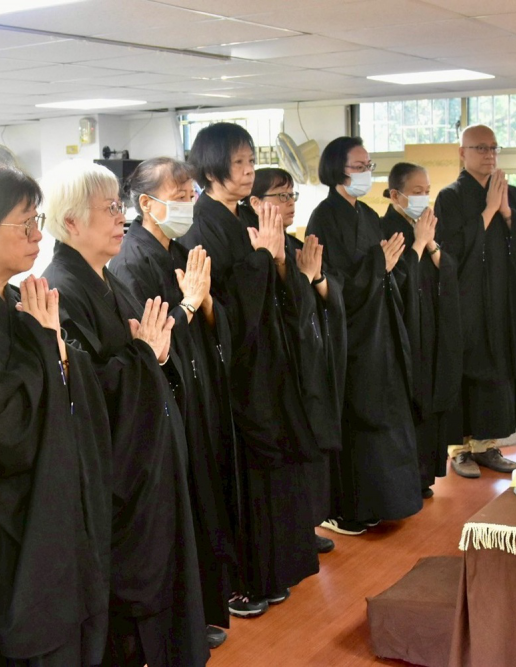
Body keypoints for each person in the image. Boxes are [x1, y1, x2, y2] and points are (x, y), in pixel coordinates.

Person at [0, 160, 112, 666]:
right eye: (25, 223)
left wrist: (56, 350)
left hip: (49, 514)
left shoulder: (18, 301)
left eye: (38, 220)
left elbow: (72, 381)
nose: (38, 235)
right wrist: (47, 347)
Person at [40, 160, 207, 667]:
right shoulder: (61, 289)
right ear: (71, 221)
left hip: (149, 458)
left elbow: (141, 353)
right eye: (110, 208)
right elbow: (84, 389)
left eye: (120, 205)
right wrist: (144, 355)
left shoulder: (108, 279)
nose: (122, 217)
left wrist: (152, 352)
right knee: (129, 599)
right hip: (119, 474)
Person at [180, 123, 320, 618]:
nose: (247, 172)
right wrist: (263, 257)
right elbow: (222, 306)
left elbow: (277, 286)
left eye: (249, 161)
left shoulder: (245, 217)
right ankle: (240, 582)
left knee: (275, 473)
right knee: (241, 479)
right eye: (238, 163)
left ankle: (271, 571)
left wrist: (279, 261)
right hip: (234, 374)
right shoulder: (200, 228)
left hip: (268, 364)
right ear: (211, 170)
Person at [112, 157, 236, 649]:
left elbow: (210, 317)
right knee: (181, 512)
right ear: (147, 203)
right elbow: (152, 340)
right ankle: (184, 624)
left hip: (199, 394)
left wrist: (204, 302)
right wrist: (188, 304)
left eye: (190, 196)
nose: (189, 205)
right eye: (179, 196)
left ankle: (205, 610)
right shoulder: (131, 262)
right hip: (169, 401)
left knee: (206, 503)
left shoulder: (182, 250)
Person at [306, 136, 422, 536]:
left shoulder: (369, 215)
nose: (366, 173)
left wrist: (388, 266)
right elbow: (330, 281)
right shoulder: (323, 217)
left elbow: (388, 267)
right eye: (359, 167)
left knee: (386, 416)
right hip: (351, 336)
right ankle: (345, 509)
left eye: (369, 166)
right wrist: (378, 264)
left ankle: (379, 502)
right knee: (357, 419)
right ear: (337, 170)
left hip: (380, 330)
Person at [433, 125, 516, 479]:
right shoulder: (450, 197)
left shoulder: (511, 193)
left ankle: (487, 446)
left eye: (494, 148)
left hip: (501, 300)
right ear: (462, 153)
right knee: (465, 370)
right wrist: (489, 211)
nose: (489, 154)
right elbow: (448, 250)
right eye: (480, 148)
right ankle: (460, 450)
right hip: (466, 302)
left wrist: (508, 213)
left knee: (497, 371)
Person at [247, 167, 346, 555]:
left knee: (314, 446)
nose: (289, 204)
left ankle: (309, 524)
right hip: (279, 369)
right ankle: (295, 531)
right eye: (281, 196)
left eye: (292, 196)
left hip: (310, 361)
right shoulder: (253, 244)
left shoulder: (293, 244)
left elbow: (322, 296)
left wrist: (314, 277)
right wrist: (295, 275)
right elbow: (277, 305)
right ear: (255, 203)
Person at [381, 162, 462, 498]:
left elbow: (448, 268)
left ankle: (426, 475)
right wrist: (418, 243)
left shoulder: (424, 226)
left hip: (431, 328)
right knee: (411, 403)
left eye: (427, 191)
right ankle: (408, 479)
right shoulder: (386, 228)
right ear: (395, 194)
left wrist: (429, 243)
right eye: (417, 192)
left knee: (432, 399)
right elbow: (396, 279)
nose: (424, 198)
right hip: (406, 332)